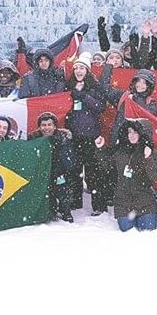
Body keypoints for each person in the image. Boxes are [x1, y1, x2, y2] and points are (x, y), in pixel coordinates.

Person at [94, 118, 157, 231]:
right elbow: (107, 166)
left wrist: (148, 158)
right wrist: (100, 149)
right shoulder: (120, 151)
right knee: (127, 233)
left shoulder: (150, 151)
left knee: (149, 234)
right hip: (123, 203)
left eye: (135, 132)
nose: (132, 135)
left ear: (141, 134)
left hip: (145, 203)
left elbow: (154, 177)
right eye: (129, 132)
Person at [64, 52, 106, 215]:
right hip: (74, 136)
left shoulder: (94, 87)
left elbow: (100, 107)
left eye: (82, 68)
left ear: (87, 71)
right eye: (76, 68)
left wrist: (83, 96)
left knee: (93, 172)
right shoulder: (68, 87)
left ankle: (99, 206)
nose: (79, 71)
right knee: (74, 170)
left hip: (91, 135)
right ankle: (76, 202)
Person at [28, 112, 76, 222]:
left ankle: (65, 210)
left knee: (64, 189)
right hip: (42, 173)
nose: (46, 128)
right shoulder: (33, 139)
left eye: (49, 125)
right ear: (39, 127)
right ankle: (50, 209)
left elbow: (70, 161)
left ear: (54, 126)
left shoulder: (63, 139)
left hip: (60, 173)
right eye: (43, 125)